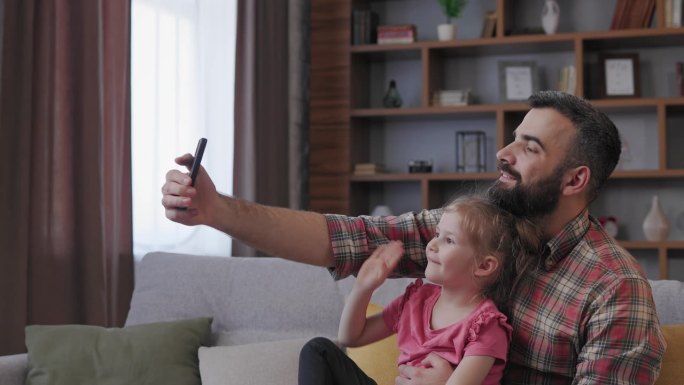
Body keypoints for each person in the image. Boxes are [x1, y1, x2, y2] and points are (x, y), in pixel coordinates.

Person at [161, 91, 666, 384]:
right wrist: (218, 210)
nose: (503, 154)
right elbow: (353, 239)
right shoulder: (476, 226)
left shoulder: (615, 289)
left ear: (575, 180)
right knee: (320, 354)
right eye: (513, 137)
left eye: (528, 148)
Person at [298, 196, 541, 385]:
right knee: (318, 349)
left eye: (449, 240)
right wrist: (364, 287)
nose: (432, 245)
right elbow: (351, 337)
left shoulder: (486, 327)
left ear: (484, 265)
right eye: (437, 234)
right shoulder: (416, 300)